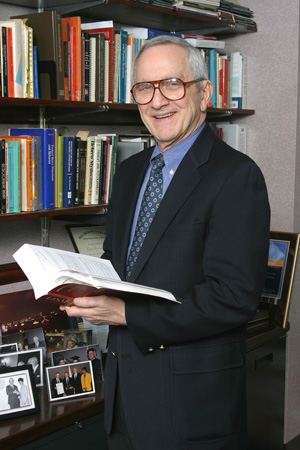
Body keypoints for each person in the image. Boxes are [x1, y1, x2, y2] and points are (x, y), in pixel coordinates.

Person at [61, 35, 270, 449]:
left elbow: (234, 298)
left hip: (191, 408)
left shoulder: (236, 176)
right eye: (144, 87)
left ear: (204, 92)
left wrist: (125, 315)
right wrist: (81, 286)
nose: (158, 101)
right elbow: (118, 260)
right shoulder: (129, 172)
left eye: (172, 83)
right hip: (122, 398)